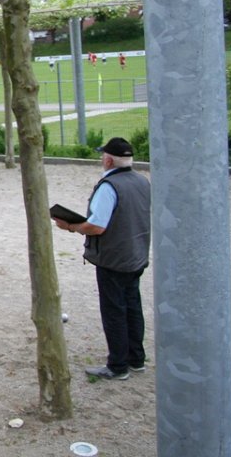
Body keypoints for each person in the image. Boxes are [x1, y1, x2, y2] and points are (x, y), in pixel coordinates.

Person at [52, 137, 151, 380]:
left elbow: (97, 226)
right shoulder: (142, 181)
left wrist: (71, 226)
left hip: (113, 258)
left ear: (108, 160)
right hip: (136, 253)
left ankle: (118, 366)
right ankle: (136, 359)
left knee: (114, 310)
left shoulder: (109, 186)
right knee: (132, 306)